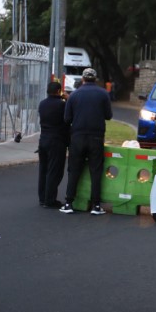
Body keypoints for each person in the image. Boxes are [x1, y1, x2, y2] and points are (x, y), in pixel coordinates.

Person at [60, 67, 112, 215]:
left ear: (82, 79)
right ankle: (96, 205)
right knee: (96, 171)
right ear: (95, 79)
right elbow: (108, 115)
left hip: (77, 137)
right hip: (96, 137)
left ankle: (69, 202)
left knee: (74, 169)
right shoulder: (103, 94)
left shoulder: (74, 95)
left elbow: (67, 118)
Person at [37, 81, 69, 208]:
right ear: (58, 91)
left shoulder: (42, 104)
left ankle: (42, 198)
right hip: (56, 141)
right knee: (54, 171)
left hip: (43, 139)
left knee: (43, 170)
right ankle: (50, 199)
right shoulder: (61, 105)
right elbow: (67, 120)